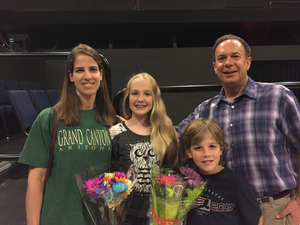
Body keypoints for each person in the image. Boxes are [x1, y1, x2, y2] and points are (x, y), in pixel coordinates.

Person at [175, 34, 300, 225]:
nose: (228, 63)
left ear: (248, 62)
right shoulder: (206, 110)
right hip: (227, 211)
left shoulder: (278, 97)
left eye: (235, 56)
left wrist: (299, 200)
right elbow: (173, 136)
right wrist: (134, 126)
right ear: (215, 66)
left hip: (276, 210)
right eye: (222, 58)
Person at [18, 44, 116, 225]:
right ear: (71, 76)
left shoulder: (112, 121)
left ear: (101, 74)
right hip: (58, 219)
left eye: (93, 69)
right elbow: (36, 181)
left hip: (100, 220)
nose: (87, 76)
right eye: (80, 70)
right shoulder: (49, 119)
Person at [109, 72, 180, 225]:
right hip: (127, 216)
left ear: (155, 99)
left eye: (147, 94)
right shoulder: (115, 133)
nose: (140, 99)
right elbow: (109, 172)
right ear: (127, 99)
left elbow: (175, 173)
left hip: (160, 214)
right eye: (135, 93)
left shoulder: (167, 133)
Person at [182, 118, 263, 225]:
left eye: (212, 146)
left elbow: (256, 220)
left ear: (221, 149)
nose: (206, 153)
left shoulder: (238, 184)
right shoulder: (184, 179)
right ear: (189, 152)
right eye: (198, 148)